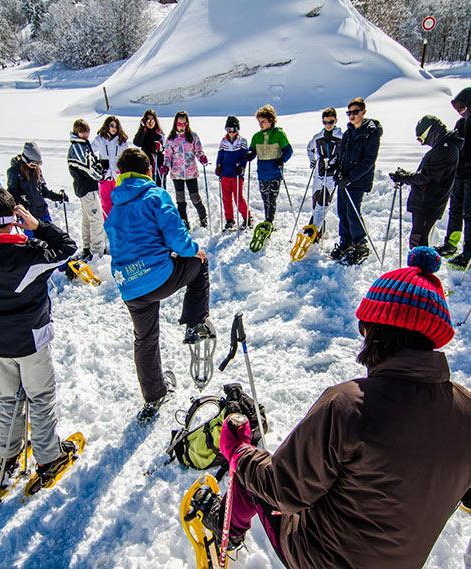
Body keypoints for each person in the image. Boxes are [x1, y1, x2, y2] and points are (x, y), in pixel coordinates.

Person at [188, 246, 471, 569]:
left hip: (322, 558)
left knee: (255, 471)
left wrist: (237, 450)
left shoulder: (349, 405)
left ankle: (228, 532)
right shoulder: (466, 409)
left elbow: (282, 490)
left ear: (375, 330)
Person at [0, 187, 79, 487]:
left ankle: (9, 452)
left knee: (9, 397)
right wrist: (38, 226)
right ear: (14, 218)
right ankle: (49, 457)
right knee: (40, 396)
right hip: (30, 341)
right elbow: (67, 246)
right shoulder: (30, 254)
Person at [104, 148, 211, 425]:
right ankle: (195, 322)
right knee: (199, 264)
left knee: (144, 338)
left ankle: (154, 394)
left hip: (129, 286)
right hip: (158, 278)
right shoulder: (154, 195)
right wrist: (195, 250)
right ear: (148, 170)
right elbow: (177, 238)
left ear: (121, 174)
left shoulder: (115, 208)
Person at [390, 116, 463, 249]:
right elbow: (427, 174)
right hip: (425, 201)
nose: (422, 143)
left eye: (421, 139)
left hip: (429, 202)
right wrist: (405, 176)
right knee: (418, 241)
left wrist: (404, 177)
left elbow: (426, 177)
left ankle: (420, 268)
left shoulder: (446, 149)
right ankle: (419, 267)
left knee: (417, 241)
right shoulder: (443, 146)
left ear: (431, 132)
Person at [331, 97, 383, 265]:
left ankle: (360, 245)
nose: (352, 116)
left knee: (353, 212)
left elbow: (369, 160)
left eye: (355, 112)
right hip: (344, 179)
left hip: (358, 180)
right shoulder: (348, 133)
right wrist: (337, 170)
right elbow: (342, 155)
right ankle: (346, 242)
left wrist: (351, 177)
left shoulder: (370, 133)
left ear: (363, 112)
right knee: (342, 211)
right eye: (349, 113)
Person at [435, 87, 471, 268]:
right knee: (455, 210)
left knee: (469, 214)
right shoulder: (460, 123)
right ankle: (451, 243)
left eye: (463, 107)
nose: (460, 111)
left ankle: (468, 252)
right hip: (459, 174)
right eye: (458, 108)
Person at [244, 104, 293, 227]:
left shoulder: (279, 134)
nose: (261, 124)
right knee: (265, 199)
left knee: (272, 199)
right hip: (262, 173)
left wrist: (282, 159)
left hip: (275, 173)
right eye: (259, 122)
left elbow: (288, 150)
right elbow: (252, 150)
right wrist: (250, 154)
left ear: (271, 121)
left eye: (263, 121)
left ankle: (269, 221)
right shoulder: (257, 136)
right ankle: (267, 219)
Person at [7, 142, 68, 238]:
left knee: (50, 237)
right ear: (25, 160)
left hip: (42, 211)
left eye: (37, 164)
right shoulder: (14, 172)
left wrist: (57, 196)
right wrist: (21, 202)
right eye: (32, 164)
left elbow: (43, 190)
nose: (35, 167)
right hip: (28, 215)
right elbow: (12, 193)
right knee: (35, 243)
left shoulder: (37, 171)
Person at [160, 111, 209, 229]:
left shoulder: (193, 136)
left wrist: (201, 156)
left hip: (191, 172)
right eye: (179, 124)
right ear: (175, 124)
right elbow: (167, 156)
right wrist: (165, 166)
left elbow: (198, 151)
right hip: (177, 173)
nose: (181, 126)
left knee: (195, 197)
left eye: (184, 124)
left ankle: (203, 217)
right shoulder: (171, 139)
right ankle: (184, 221)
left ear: (187, 124)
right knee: (180, 199)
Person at [67, 119, 106, 261]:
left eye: (87, 131)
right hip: (86, 187)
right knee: (96, 220)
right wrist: (100, 174)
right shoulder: (78, 147)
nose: (86, 134)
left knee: (87, 219)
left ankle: (87, 246)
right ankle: (96, 251)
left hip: (84, 187)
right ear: (77, 132)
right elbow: (88, 168)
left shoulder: (81, 145)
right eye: (83, 131)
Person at [303, 107, 343, 240]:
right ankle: (320, 229)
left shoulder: (341, 137)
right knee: (316, 201)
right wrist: (313, 161)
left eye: (331, 122)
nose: (328, 125)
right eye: (325, 122)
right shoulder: (318, 136)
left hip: (332, 174)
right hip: (319, 173)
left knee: (323, 202)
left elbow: (345, 154)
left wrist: (338, 165)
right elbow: (309, 148)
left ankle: (314, 230)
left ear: (336, 121)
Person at [215, 115, 251, 231]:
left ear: (237, 130)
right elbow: (220, 155)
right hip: (225, 173)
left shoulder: (242, 141)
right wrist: (218, 166)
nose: (231, 132)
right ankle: (229, 220)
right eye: (228, 130)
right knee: (226, 198)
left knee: (238, 197)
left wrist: (241, 167)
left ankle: (247, 217)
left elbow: (244, 156)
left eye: (233, 130)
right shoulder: (224, 141)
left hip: (236, 174)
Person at [91, 116, 129, 219]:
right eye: (111, 125)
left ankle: (119, 224)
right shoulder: (100, 139)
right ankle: (108, 224)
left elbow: (126, 156)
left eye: (116, 126)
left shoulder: (121, 140)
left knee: (120, 201)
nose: (114, 128)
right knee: (106, 203)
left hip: (118, 176)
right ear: (107, 126)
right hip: (106, 176)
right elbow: (90, 151)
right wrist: (96, 164)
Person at [133, 109, 165, 186]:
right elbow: (137, 143)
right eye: (148, 120)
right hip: (145, 165)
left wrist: (160, 148)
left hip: (157, 165)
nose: (150, 122)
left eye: (152, 120)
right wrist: (142, 129)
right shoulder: (143, 133)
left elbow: (164, 149)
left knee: (158, 186)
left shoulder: (159, 134)